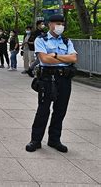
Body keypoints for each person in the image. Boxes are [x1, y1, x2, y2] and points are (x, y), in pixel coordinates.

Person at [26, 14, 77, 153]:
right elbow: (44, 59)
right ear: (50, 24)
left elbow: (74, 58)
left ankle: (54, 140)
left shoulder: (67, 41)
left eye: (61, 23)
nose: (59, 26)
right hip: (47, 78)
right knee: (43, 110)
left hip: (64, 79)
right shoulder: (41, 39)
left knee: (60, 110)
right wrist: (63, 59)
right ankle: (35, 140)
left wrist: (54, 55)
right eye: (56, 23)